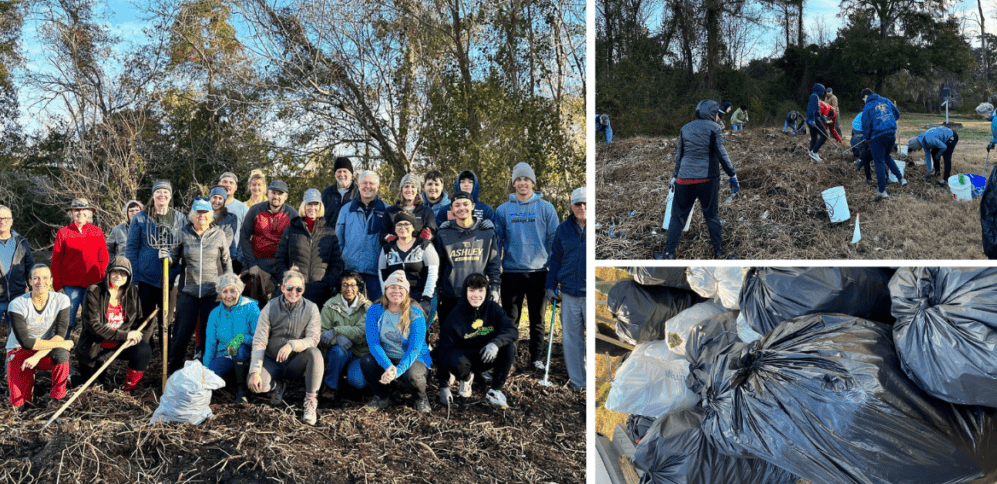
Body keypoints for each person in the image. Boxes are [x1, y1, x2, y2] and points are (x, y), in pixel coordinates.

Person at [495, 162, 559, 370]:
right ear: (514, 183)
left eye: (526, 179)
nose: (522, 183)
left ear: (532, 182)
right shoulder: (503, 210)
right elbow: (497, 241)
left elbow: (554, 240)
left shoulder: (546, 208)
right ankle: (510, 358)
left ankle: (536, 358)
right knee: (511, 321)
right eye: (518, 180)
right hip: (512, 272)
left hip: (539, 272)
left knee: (537, 320)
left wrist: (554, 270)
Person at [662, 100, 739, 260]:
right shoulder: (714, 128)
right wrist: (732, 174)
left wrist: (675, 176)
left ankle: (668, 254)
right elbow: (721, 154)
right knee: (711, 216)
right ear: (711, 113)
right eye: (717, 113)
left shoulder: (685, 128)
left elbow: (679, 156)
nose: (718, 116)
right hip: (707, 179)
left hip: (684, 179)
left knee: (677, 216)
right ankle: (718, 253)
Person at [248, 269, 323, 425]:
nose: (293, 292)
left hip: (295, 362)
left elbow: (314, 339)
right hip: (272, 361)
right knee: (255, 385)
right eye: (289, 288)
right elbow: (259, 340)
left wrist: (292, 344)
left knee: (315, 353)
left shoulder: (311, 308)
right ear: (282, 288)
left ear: (303, 290)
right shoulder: (270, 307)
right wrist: (255, 371)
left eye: (298, 289)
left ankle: (310, 401)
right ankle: (276, 385)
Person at [165, 198, 232, 374]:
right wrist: (167, 257)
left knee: (208, 337)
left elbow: (226, 261)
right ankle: (172, 373)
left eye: (204, 213)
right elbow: (173, 258)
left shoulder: (219, 235)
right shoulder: (183, 233)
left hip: (212, 294)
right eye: (198, 212)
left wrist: (230, 284)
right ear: (192, 215)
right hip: (188, 292)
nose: (201, 216)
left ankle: (205, 374)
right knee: (180, 336)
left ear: (211, 215)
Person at [434, 273, 517, 408]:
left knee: (508, 346)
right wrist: (443, 386)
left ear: (486, 291)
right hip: (464, 357)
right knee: (453, 359)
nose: (476, 295)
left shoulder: (493, 308)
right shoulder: (455, 315)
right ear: (465, 291)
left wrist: (495, 343)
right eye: (471, 290)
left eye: (480, 290)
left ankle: (495, 390)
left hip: (487, 353)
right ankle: (466, 378)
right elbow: (444, 349)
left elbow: (512, 330)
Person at [359, 270, 432, 413]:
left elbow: (414, 348)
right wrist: (387, 365)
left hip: (415, 358)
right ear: (385, 290)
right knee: (366, 361)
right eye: (392, 287)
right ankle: (381, 396)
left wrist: (397, 371)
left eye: (401, 288)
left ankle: (421, 398)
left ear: (407, 291)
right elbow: (373, 343)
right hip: (388, 356)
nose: (396, 291)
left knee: (412, 375)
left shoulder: (415, 312)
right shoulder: (374, 310)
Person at [75, 256, 151, 392]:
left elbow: (137, 319)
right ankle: (71, 377)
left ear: (128, 276)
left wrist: (148, 323)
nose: (118, 276)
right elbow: (93, 326)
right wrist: (125, 335)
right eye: (115, 271)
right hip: (96, 346)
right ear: (108, 272)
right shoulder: (94, 291)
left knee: (143, 350)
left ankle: (129, 389)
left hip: (120, 344)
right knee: (94, 388)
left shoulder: (132, 291)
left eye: (123, 273)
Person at [6, 265, 73, 411]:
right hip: (19, 350)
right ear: (29, 281)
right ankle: (27, 387)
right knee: (20, 407)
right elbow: (26, 341)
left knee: (61, 353)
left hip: (44, 352)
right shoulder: (17, 304)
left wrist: (37, 356)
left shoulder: (62, 300)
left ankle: (57, 399)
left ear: (51, 281)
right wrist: (59, 342)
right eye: (35, 278)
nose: (40, 282)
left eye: (44, 278)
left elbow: (60, 335)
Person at [127, 179, 187, 341]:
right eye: (158, 191)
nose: (162, 194)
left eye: (165, 191)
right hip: (146, 279)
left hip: (171, 279)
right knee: (146, 320)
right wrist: (134, 277)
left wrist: (174, 262)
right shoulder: (140, 218)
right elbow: (131, 248)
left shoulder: (179, 218)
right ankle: (142, 358)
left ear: (170, 195)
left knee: (166, 322)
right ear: (153, 195)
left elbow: (184, 247)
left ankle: (166, 361)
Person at [435, 191, 501, 325]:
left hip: (477, 297)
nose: (461, 208)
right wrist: (436, 292)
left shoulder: (486, 233)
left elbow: (494, 266)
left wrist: (494, 287)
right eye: (457, 205)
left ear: (473, 206)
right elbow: (437, 267)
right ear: (452, 209)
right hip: (450, 298)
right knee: (449, 342)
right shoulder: (444, 234)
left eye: (465, 204)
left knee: (475, 341)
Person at [545, 187, 586, 389]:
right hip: (569, 292)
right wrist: (550, 286)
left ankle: (594, 376)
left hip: (591, 292)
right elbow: (555, 260)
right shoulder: (563, 229)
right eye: (578, 204)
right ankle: (579, 383)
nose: (582, 207)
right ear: (571, 206)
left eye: (585, 203)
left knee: (595, 337)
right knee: (571, 340)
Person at [274, 188, 344, 305]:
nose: (312, 208)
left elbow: (335, 263)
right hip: (295, 291)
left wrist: (327, 283)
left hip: (321, 292)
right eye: (309, 204)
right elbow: (280, 259)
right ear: (304, 206)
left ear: (320, 206)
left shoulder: (329, 232)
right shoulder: (291, 230)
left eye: (315, 204)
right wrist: (287, 281)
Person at [51, 198, 109, 337]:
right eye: (76, 210)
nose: (80, 213)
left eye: (83, 210)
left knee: (93, 321)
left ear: (89, 213)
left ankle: (90, 353)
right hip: (71, 286)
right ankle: (61, 352)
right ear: (71, 213)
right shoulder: (63, 233)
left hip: (93, 285)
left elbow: (103, 259)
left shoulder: (97, 231)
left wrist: (103, 282)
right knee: (67, 321)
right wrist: (58, 285)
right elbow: (56, 260)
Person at [203, 273, 259, 403]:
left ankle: (242, 391)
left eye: (233, 291)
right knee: (212, 370)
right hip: (225, 356)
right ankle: (232, 382)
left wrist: (242, 338)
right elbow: (210, 344)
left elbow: (259, 339)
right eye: (225, 291)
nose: (229, 296)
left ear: (239, 291)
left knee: (239, 351)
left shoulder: (251, 308)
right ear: (220, 293)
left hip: (247, 356)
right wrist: (205, 372)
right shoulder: (215, 313)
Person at [378, 211, 439, 323]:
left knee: (418, 331)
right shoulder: (387, 249)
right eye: (399, 224)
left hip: (421, 295)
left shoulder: (424, 245)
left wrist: (426, 298)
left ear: (413, 227)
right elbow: (382, 275)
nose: (403, 227)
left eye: (407, 224)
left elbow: (433, 273)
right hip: (397, 296)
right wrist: (387, 296)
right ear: (395, 228)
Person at [319, 270, 372, 401]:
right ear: (340, 287)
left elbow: (361, 332)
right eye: (345, 285)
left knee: (358, 382)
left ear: (359, 287)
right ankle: (330, 385)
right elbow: (321, 335)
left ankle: (350, 383)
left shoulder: (368, 307)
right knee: (339, 351)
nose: (349, 289)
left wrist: (336, 331)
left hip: (360, 353)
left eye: (353, 285)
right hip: (339, 352)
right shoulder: (329, 306)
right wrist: (337, 339)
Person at [336, 170, 387, 301]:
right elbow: (338, 240)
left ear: (378, 186)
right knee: (352, 312)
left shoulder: (386, 211)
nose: (367, 186)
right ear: (358, 185)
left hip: (376, 273)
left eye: (371, 183)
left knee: (375, 311)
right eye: (364, 183)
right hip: (351, 272)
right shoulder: (346, 210)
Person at [0, 205, 34, 380]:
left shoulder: (21, 242)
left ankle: (10, 372)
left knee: (15, 338)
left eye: (5, 218)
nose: (2, 221)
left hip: (17, 297)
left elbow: (31, 267)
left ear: (11, 221)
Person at [241, 180, 298, 282]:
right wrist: (251, 264)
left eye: (280, 194)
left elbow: (297, 243)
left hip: (281, 261)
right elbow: (244, 236)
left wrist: (292, 265)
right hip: (258, 260)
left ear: (286, 196)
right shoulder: (255, 210)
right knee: (247, 286)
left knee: (289, 286)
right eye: (273, 193)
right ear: (268, 193)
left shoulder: (292, 214)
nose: (276, 196)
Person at [861, 88, 908, 198]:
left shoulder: (867, 106)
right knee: (887, 156)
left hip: (878, 136)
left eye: (863, 99)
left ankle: (882, 191)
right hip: (891, 134)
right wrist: (888, 122)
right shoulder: (886, 100)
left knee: (879, 162)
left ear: (865, 97)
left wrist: (866, 137)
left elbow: (866, 125)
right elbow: (897, 113)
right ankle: (901, 179)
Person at [381, 173, 438, 244]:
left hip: (420, 252)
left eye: (413, 187)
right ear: (401, 189)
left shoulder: (427, 211)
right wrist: (391, 239)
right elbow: (382, 235)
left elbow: (434, 234)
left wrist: (429, 236)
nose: (409, 190)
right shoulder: (390, 211)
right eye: (406, 186)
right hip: (396, 252)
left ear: (417, 190)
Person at [321, 156, 360, 228]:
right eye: (339, 171)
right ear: (335, 174)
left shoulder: (359, 193)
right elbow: (320, 217)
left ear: (351, 173)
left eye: (345, 171)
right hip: (329, 237)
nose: (342, 174)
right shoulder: (326, 193)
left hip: (352, 237)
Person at [210, 186, 240, 271]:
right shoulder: (203, 215)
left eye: (220, 198)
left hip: (224, 259)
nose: (217, 201)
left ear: (224, 201)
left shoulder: (230, 218)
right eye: (214, 197)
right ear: (210, 198)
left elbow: (226, 242)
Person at [851, 113, 875, 185]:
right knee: (863, 146)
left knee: (866, 150)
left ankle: (860, 160)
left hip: (858, 127)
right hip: (858, 128)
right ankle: (859, 160)